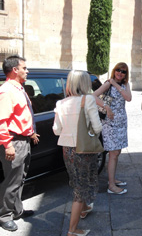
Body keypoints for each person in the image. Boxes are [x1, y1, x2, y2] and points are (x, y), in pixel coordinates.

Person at [0, 55, 40, 231]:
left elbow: (21, 116)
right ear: (15, 70)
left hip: (23, 139)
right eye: (24, 68)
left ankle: (17, 210)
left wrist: (31, 132)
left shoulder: (18, 89)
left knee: (20, 178)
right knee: (12, 180)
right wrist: (8, 144)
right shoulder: (6, 91)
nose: (27, 71)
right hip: (13, 141)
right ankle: (4, 216)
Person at [53, 70, 102, 236]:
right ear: (84, 84)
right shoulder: (87, 99)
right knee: (81, 187)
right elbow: (97, 127)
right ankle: (72, 230)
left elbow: (56, 130)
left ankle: (85, 208)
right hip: (84, 149)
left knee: (76, 180)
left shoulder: (61, 103)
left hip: (67, 149)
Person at [93, 62, 132, 195]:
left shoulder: (125, 85)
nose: (120, 73)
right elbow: (93, 96)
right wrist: (106, 106)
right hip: (110, 123)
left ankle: (113, 179)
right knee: (113, 153)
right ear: (114, 71)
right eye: (118, 70)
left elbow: (129, 98)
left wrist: (117, 85)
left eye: (123, 71)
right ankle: (111, 185)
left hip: (121, 122)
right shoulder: (108, 83)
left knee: (117, 152)